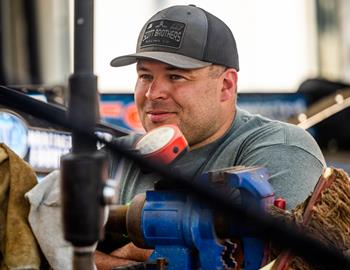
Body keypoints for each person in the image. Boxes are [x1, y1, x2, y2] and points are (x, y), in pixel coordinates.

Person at [95, 4, 325, 269]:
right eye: (145, 76)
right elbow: (49, 241)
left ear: (226, 85)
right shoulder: (114, 158)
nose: (153, 93)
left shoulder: (282, 149)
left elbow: (245, 259)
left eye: (176, 76)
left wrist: (97, 259)